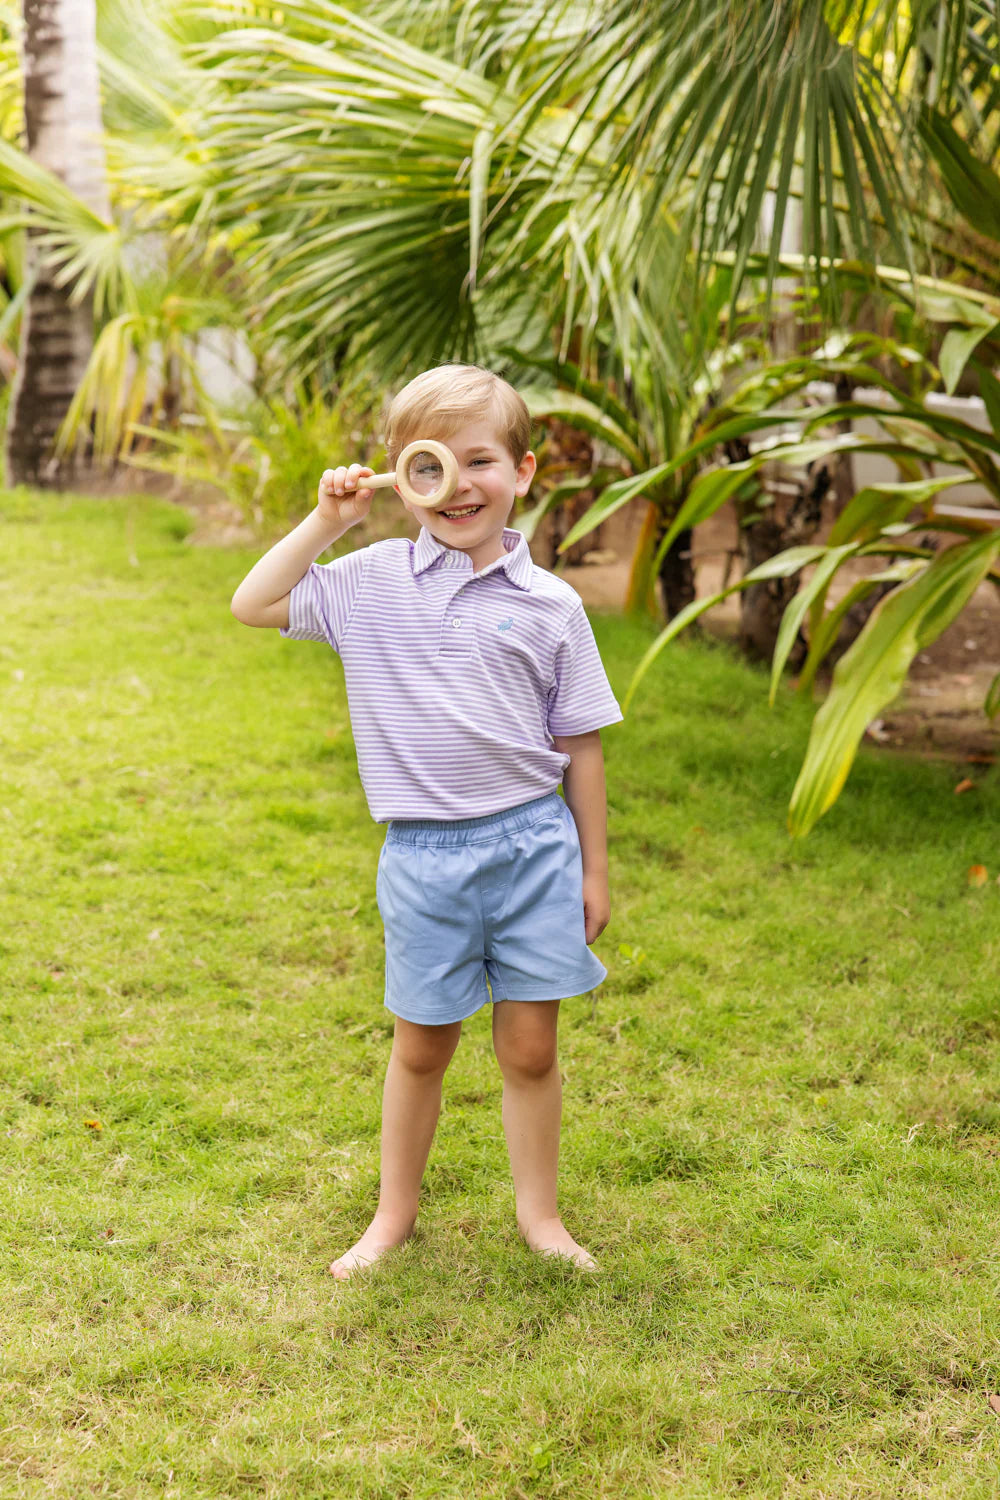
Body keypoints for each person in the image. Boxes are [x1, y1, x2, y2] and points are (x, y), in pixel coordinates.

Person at [231, 364, 622, 1278]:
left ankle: (541, 1218)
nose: (462, 485)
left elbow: (583, 747)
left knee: (530, 1046)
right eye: (433, 463)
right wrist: (328, 521)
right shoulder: (367, 583)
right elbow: (252, 603)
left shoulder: (553, 606)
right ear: (404, 477)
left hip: (533, 849)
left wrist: (595, 871)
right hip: (424, 857)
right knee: (422, 1045)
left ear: (524, 472)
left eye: (481, 460)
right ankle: (392, 1217)